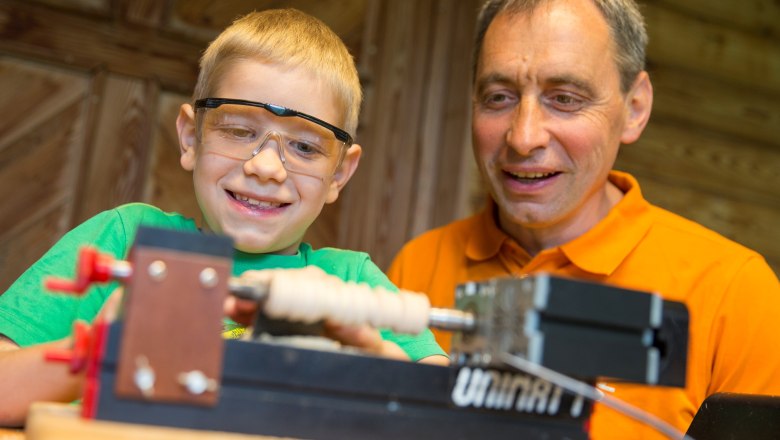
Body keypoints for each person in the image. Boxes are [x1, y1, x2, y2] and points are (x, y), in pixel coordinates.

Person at [0, 8, 446, 427]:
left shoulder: (352, 284)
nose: (267, 168)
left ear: (339, 174)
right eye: (238, 130)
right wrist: (95, 352)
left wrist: (375, 357)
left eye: (305, 147)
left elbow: (444, 418)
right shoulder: (124, 238)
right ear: (191, 137)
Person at [387, 0, 780, 438]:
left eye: (565, 99)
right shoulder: (416, 265)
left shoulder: (737, 292)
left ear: (634, 108)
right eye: (499, 97)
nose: (523, 137)